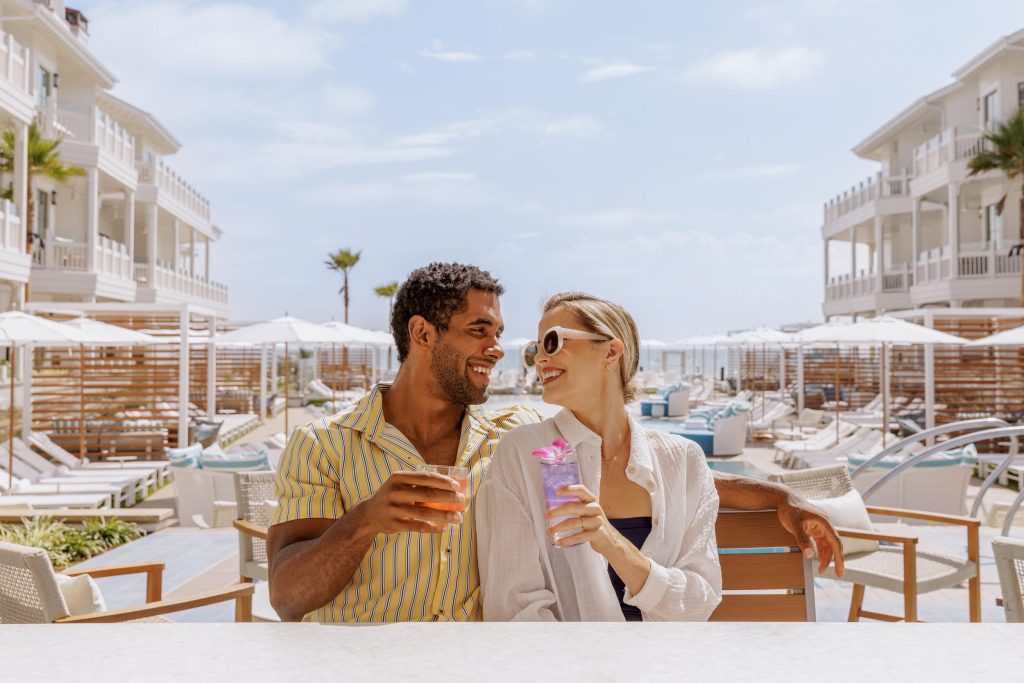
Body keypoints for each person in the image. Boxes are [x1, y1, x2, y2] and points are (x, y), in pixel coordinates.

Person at [267, 262, 843, 623]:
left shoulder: (510, 437)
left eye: (503, 334)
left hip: (476, 665)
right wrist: (365, 520)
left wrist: (777, 496)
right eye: (479, 331)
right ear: (422, 334)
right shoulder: (322, 446)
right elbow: (286, 597)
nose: (499, 349)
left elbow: (653, 473)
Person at [478, 292, 716, 620]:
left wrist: (612, 543)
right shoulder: (524, 454)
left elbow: (699, 601)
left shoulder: (684, 461)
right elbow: (516, 609)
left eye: (551, 342)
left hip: (669, 666)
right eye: (533, 351)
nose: (538, 360)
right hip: (568, 669)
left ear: (611, 351)